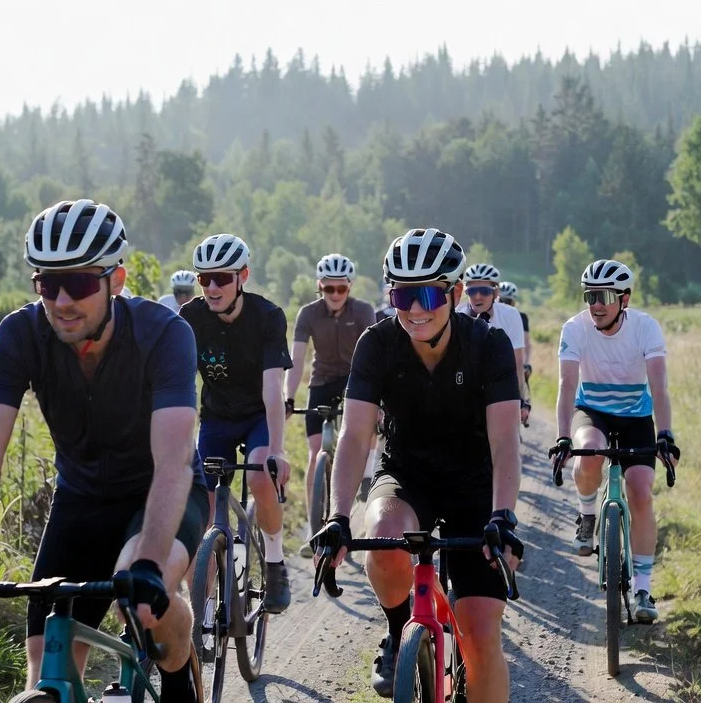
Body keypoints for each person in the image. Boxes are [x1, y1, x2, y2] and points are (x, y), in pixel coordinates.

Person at [0, 199, 206, 700]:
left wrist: (151, 565)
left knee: (143, 598)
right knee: (46, 660)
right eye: (48, 283)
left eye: (82, 283)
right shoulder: (21, 334)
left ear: (117, 280)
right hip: (81, 501)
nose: (62, 300)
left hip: (159, 493)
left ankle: (177, 672)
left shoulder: (164, 334)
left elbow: (174, 459)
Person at [314, 228, 524, 701]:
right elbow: (354, 434)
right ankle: (396, 629)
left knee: (480, 636)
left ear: (453, 293)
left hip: (475, 485)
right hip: (406, 475)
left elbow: (505, 439)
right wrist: (337, 516)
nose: (415, 308)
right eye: (403, 293)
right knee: (384, 536)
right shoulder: (377, 343)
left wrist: (503, 515)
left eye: (429, 293)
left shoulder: (488, 345)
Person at [548, 259, 678, 624]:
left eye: (605, 296)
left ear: (625, 299)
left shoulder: (645, 328)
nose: (596, 305)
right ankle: (587, 514)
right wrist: (562, 436)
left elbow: (660, 387)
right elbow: (566, 387)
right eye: (590, 296)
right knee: (587, 453)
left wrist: (665, 434)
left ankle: (642, 588)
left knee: (640, 491)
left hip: (637, 416)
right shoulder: (574, 328)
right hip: (594, 411)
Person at [181, 233, 293, 613]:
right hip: (216, 419)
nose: (212, 287)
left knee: (262, 475)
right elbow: (178, 383)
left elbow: (273, 389)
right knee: (205, 510)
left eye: (222, 278)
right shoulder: (191, 318)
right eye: (204, 279)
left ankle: (275, 561)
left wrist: (277, 450)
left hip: (258, 417)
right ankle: (206, 610)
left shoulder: (267, 317)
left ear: (242, 276)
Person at [284, 254, 375, 556]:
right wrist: (288, 396)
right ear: (319, 286)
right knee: (314, 454)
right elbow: (296, 360)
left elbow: (374, 356)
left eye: (341, 289)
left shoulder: (363, 311)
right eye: (329, 289)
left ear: (350, 287)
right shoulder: (307, 314)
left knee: (364, 428)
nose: (335, 295)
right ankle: (314, 528)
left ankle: (366, 471)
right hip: (321, 382)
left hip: (354, 380)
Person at [457, 264, 531, 426]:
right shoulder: (457, 315)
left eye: (484, 291)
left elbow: (517, 362)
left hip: (499, 382)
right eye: (471, 291)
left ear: (495, 293)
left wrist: (521, 399)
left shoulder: (511, 315)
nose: (477, 297)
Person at [498, 281, 532, 387]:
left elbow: (526, 342)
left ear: (513, 302)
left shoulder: (521, 317)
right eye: (502, 300)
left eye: (508, 301)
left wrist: (525, 363)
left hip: (514, 358)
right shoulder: (490, 314)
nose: (505, 304)